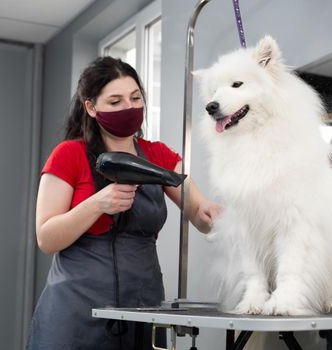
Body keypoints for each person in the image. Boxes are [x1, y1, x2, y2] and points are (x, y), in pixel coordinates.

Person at [27, 56, 221, 349]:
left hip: (141, 310)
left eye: (135, 98)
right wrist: (97, 204)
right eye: (115, 101)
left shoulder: (158, 156)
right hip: (76, 312)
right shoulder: (68, 155)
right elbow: (47, 238)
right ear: (91, 107)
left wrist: (216, 214)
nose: (128, 108)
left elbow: (200, 213)